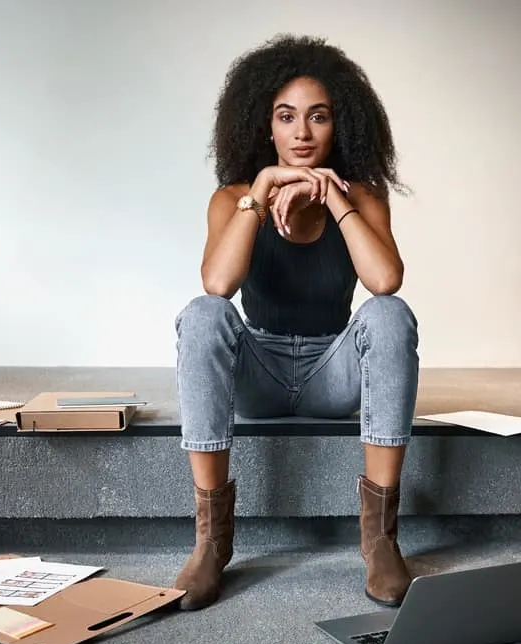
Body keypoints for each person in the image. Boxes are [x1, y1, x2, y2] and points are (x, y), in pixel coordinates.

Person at [172, 33, 420, 611]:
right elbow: (218, 285)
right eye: (287, 117)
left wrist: (335, 198)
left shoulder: (363, 196)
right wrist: (259, 192)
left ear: (341, 126)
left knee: (390, 315)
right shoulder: (233, 196)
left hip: (331, 375)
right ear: (267, 126)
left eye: (318, 117)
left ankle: (381, 539)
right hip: (257, 375)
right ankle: (210, 542)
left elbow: (385, 280)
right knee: (202, 314)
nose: (302, 133)